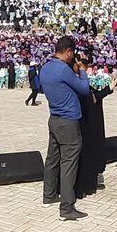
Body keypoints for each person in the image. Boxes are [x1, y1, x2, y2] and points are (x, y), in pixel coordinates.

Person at [41, 36, 91, 220]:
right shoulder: (63, 70)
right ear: (69, 52)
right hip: (68, 121)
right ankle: (67, 207)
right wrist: (82, 70)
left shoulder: (45, 68)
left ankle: (48, 195)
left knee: (52, 159)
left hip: (54, 118)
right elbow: (84, 89)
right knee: (68, 162)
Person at [75, 73, 117, 199]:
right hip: (84, 124)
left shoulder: (79, 81)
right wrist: (108, 88)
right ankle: (83, 184)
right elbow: (91, 99)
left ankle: (89, 181)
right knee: (86, 153)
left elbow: (93, 96)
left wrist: (109, 87)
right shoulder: (75, 82)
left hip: (89, 123)